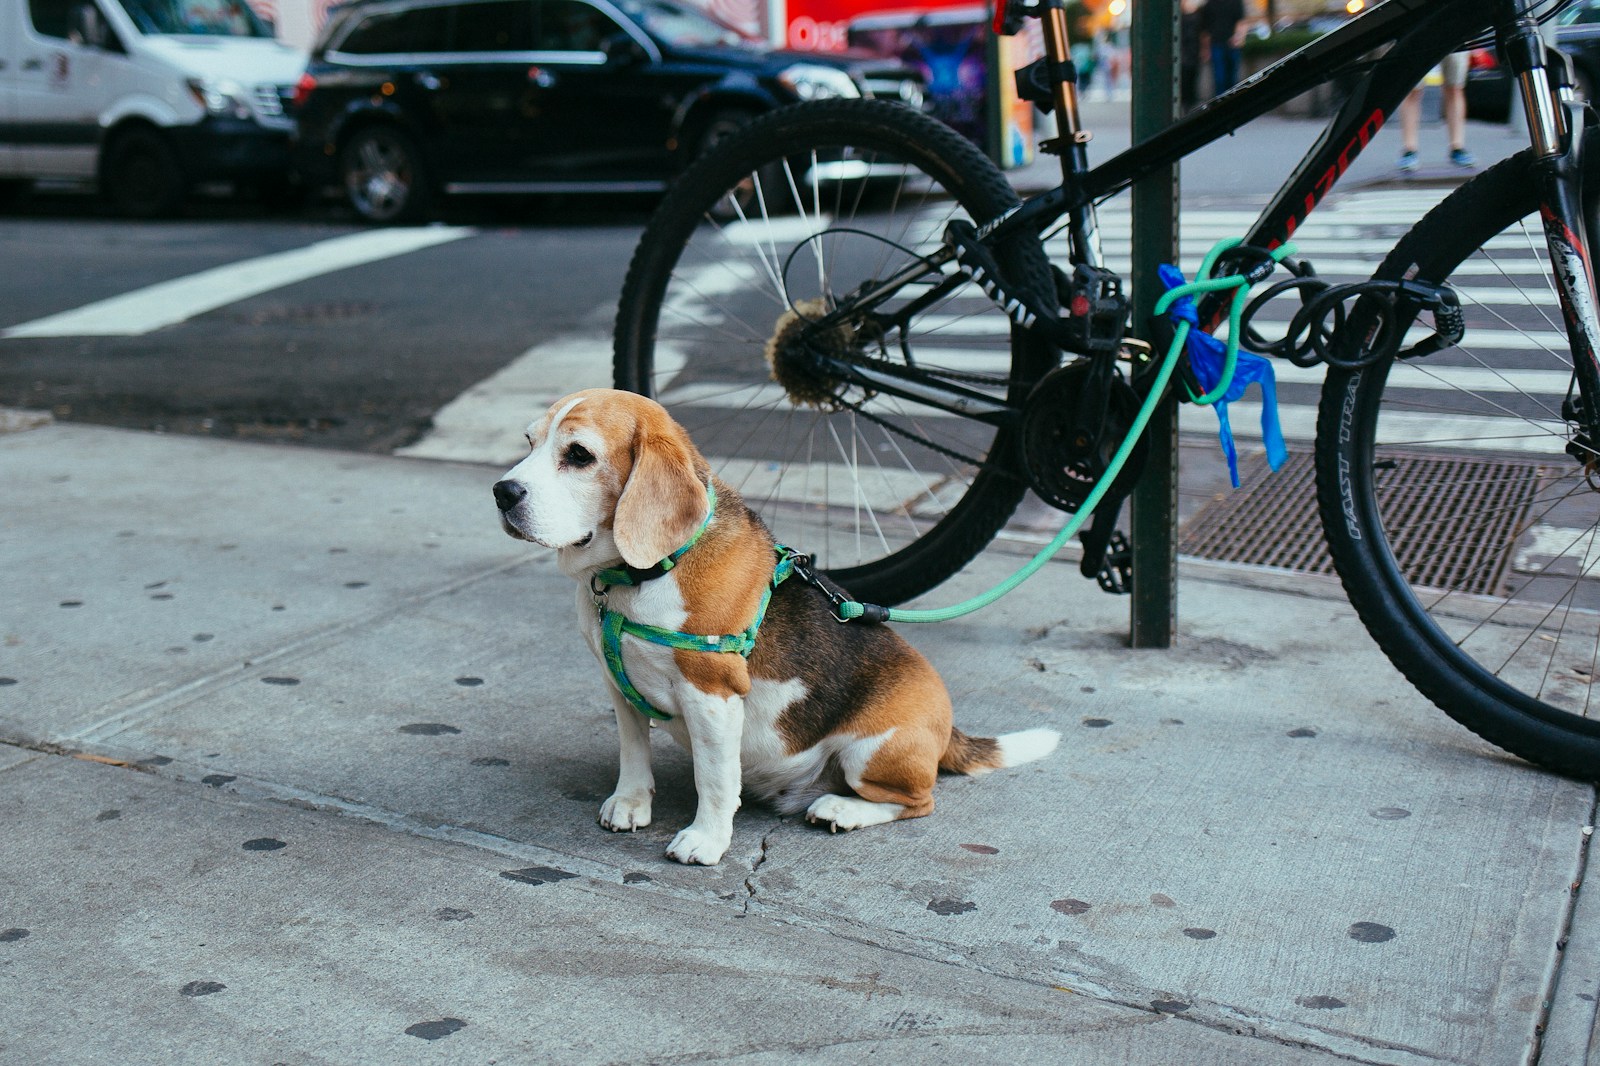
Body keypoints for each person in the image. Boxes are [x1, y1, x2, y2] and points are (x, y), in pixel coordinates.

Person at [1398, 52, 1474, 170]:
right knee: (1413, 89)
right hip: (1420, 36)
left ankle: (1457, 147)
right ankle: (1409, 149)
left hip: (1454, 35)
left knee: (1455, 87)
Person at [1201, 0, 1245, 96]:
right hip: (1216, 44)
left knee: (1231, 78)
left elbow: (1241, 22)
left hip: (1231, 44)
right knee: (1220, 79)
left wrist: (1238, 38)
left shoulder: (1235, 3)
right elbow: (1205, 30)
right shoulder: (1209, 5)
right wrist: (1206, 49)